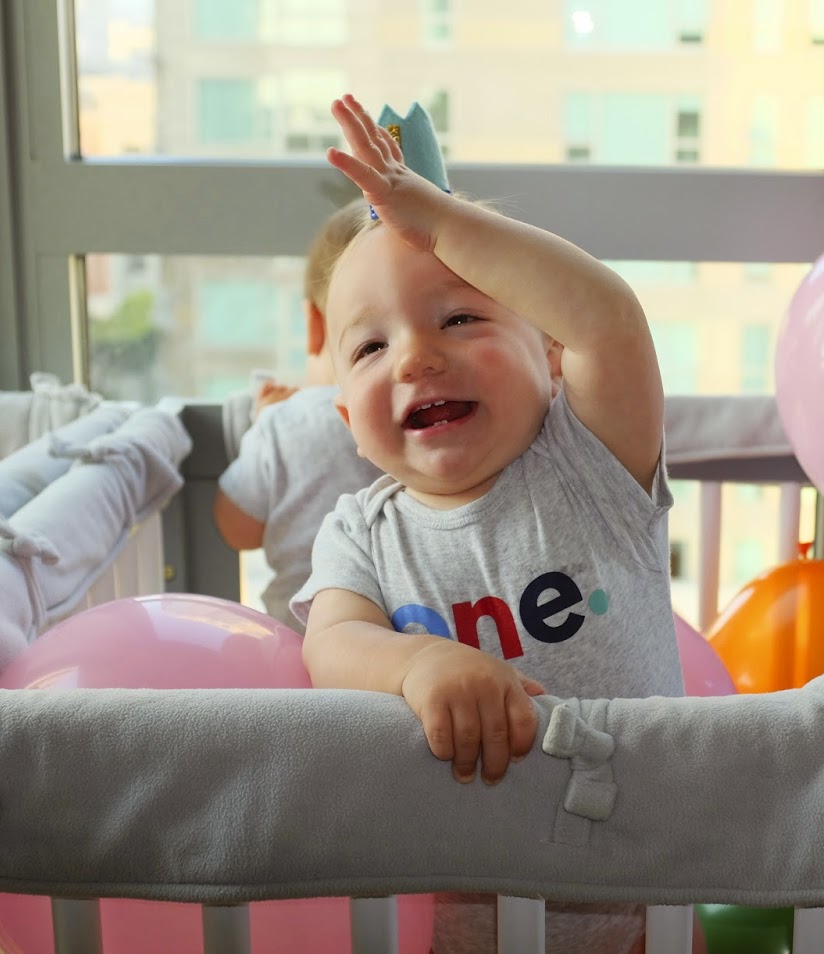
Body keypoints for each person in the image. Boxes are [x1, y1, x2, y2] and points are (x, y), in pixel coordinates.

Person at [292, 96, 683, 954]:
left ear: (552, 357)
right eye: (370, 348)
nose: (416, 357)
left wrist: (443, 223)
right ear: (348, 421)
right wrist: (418, 662)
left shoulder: (592, 465)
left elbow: (609, 319)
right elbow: (332, 645)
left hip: (644, 906)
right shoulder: (359, 532)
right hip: (455, 922)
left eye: (462, 317)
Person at [214, 199, 383, 629]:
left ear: (313, 324)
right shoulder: (425, 416)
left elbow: (237, 529)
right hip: (414, 642)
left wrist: (261, 425)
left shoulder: (285, 422)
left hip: (297, 644)